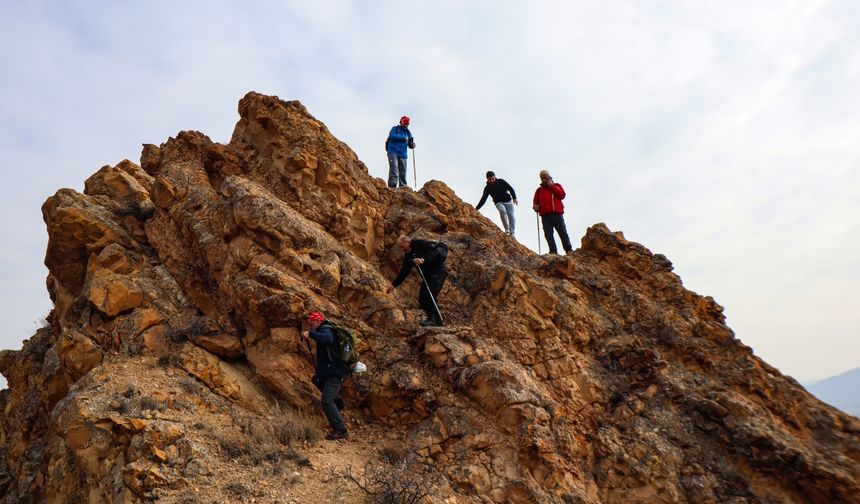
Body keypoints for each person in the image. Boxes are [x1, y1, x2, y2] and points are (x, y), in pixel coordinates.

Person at [301, 312, 350, 440]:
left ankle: (341, 430)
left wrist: (311, 334)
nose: (310, 326)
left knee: (326, 400)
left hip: (335, 373)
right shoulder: (324, 329)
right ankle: (338, 403)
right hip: (329, 373)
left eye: (312, 323)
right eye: (309, 324)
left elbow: (328, 339)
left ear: (318, 321)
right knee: (316, 380)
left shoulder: (326, 329)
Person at [389, 235, 447, 326]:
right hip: (427, 277)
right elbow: (404, 271)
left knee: (430, 294)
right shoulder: (409, 255)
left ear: (407, 242)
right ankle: (434, 319)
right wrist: (394, 285)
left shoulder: (421, 244)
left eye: (402, 246)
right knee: (422, 298)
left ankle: (433, 319)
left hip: (438, 273)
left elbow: (435, 252)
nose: (402, 249)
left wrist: (422, 259)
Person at [532, 170, 573, 255]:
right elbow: (535, 202)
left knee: (562, 232)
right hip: (545, 216)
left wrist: (552, 186)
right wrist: (535, 207)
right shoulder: (539, 190)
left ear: (549, 177)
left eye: (545, 177)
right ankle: (553, 251)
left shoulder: (557, 185)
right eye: (542, 178)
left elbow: (562, 195)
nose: (544, 179)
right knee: (548, 234)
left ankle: (568, 250)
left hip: (557, 214)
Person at [475, 170, 518, 237]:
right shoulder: (487, 188)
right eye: (490, 179)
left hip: (508, 201)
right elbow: (483, 199)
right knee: (502, 211)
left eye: (493, 179)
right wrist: (476, 209)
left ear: (495, 177)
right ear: (487, 179)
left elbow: (510, 188)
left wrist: (514, 198)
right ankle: (507, 230)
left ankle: (512, 233)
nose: (491, 180)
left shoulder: (501, 181)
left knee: (511, 217)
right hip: (498, 202)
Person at [385, 115, 415, 188]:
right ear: (401, 122)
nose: (406, 125)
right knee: (394, 168)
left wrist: (412, 145)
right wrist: (403, 138)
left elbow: (409, 144)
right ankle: (392, 186)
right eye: (404, 123)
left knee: (403, 171)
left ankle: (403, 186)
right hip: (393, 150)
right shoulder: (395, 129)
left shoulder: (408, 133)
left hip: (403, 154)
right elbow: (392, 136)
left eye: (407, 123)